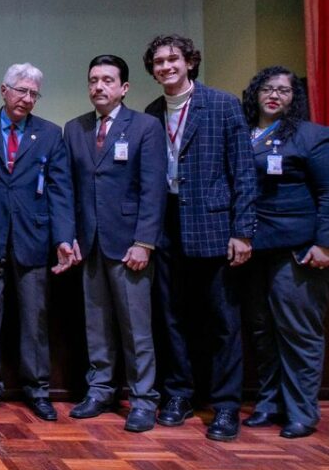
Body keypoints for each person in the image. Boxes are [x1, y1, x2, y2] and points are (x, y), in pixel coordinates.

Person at [142, 34, 257, 442]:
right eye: (157, 61)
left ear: (190, 62)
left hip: (213, 225)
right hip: (167, 224)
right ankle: (178, 395)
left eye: (173, 59)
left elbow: (244, 172)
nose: (165, 67)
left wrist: (243, 232)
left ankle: (226, 406)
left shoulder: (223, 105)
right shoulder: (153, 112)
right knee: (171, 317)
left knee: (223, 321)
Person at [61, 55, 167, 433]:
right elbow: (69, 189)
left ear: (124, 88)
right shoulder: (75, 129)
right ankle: (101, 389)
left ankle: (142, 400)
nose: (98, 87)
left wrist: (144, 242)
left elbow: (154, 190)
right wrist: (69, 236)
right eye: (93, 80)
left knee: (137, 328)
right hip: (89, 243)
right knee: (97, 325)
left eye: (108, 80)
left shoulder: (145, 126)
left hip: (130, 245)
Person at [0, 63, 75, 422]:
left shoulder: (49, 133)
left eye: (33, 94)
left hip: (34, 238)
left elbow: (60, 191)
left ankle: (38, 390)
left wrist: (63, 238)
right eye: (21, 91)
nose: (27, 99)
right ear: (3, 90)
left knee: (35, 320)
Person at [239, 67, 329, 439]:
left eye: (284, 91)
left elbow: (327, 193)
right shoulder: (242, 134)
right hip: (252, 249)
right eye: (268, 88)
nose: (275, 95)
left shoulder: (311, 136)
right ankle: (269, 403)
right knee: (262, 331)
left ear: (295, 99)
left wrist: (324, 243)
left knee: (298, 333)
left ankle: (302, 413)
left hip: (297, 251)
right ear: (255, 93)